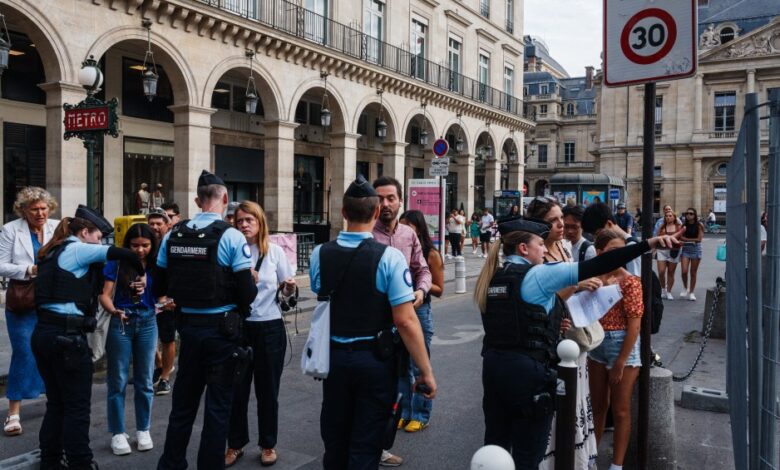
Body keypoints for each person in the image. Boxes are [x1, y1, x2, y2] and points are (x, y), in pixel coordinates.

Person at [473, 216, 678, 470]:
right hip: (528, 372)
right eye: (540, 244)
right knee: (528, 454)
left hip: (493, 369)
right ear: (523, 249)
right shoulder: (538, 275)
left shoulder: (494, 276)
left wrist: (553, 320)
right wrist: (648, 244)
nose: (543, 249)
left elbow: (518, 318)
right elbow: (600, 264)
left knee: (495, 446)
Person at [311, 175, 437, 469]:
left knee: (336, 439)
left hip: (334, 360)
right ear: (376, 212)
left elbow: (322, 292)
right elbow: (405, 321)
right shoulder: (389, 257)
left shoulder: (320, 254)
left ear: (343, 212)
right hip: (374, 361)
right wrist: (426, 372)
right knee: (366, 443)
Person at [155, 171, 258, 470]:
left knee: (183, 406)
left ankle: (171, 463)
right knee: (218, 407)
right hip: (222, 334)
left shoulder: (174, 233)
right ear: (225, 199)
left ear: (198, 200)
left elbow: (159, 287)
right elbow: (246, 294)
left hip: (188, 329)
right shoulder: (231, 236)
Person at [33, 206, 145, 470]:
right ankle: (80, 463)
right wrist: (141, 270)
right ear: (84, 232)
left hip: (45, 334)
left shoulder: (51, 251)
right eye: (97, 236)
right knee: (76, 407)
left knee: (58, 404)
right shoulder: (77, 249)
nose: (99, 242)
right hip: (67, 339)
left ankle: (50, 461)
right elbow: (121, 252)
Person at [527, 199, 599, 470]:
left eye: (561, 220)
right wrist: (577, 285)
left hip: (574, 330)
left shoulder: (564, 247)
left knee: (575, 394)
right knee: (556, 395)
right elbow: (545, 295)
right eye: (553, 221)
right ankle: (552, 457)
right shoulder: (536, 254)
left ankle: (573, 454)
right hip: (552, 333)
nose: (561, 226)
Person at [225, 201, 295, 467]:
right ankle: (235, 444)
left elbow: (287, 294)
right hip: (240, 327)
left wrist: (288, 288)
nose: (244, 225)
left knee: (268, 391)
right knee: (236, 390)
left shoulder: (274, 252)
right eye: (240, 220)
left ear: (259, 222)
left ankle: (268, 444)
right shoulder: (231, 251)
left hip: (269, 327)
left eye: (249, 220)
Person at [372, 176, 432, 466]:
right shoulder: (366, 234)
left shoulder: (409, 234)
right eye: (379, 198)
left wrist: (421, 291)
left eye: (390, 198)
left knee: (405, 373)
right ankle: (374, 444)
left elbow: (423, 269)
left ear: (399, 201)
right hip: (376, 321)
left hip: (408, 313)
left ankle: (386, 438)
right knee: (380, 382)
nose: (385, 204)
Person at [0, 187, 58, 436]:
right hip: (22, 301)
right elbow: (1, 265)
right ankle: (13, 413)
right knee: (24, 352)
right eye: (34, 209)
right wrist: (30, 270)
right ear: (23, 210)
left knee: (52, 351)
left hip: (52, 300)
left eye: (44, 208)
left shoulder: (58, 227)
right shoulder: (11, 229)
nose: (40, 213)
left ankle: (54, 402)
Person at [99, 223, 161, 455]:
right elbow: (104, 295)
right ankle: (117, 432)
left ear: (152, 245)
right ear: (127, 245)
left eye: (145, 245)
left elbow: (165, 295)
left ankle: (143, 429)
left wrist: (152, 290)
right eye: (135, 245)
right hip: (122, 320)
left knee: (145, 379)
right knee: (118, 380)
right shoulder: (117, 263)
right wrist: (114, 310)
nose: (140, 250)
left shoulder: (156, 265)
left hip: (147, 320)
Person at [588, 229, 645, 470]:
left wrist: (621, 361)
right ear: (599, 252)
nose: (619, 255)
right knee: (598, 406)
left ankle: (616, 465)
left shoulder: (630, 281)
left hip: (622, 344)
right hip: (596, 343)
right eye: (613, 250)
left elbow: (635, 326)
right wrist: (599, 289)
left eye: (622, 250)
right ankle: (591, 456)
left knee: (620, 410)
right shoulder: (592, 278)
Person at [398, 210, 444, 433]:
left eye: (408, 226)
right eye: (401, 226)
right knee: (401, 366)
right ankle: (404, 411)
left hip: (420, 310)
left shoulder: (431, 254)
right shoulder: (397, 249)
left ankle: (420, 414)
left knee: (418, 365)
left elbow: (439, 289)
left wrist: (420, 288)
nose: (404, 230)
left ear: (418, 228)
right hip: (399, 310)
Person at [146, 208, 175, 395]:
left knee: (167, 338)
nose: (155, 227)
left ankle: (165, 377)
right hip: (147, 297)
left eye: (159, 224)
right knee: (149, 337)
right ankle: (159, 365)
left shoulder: (171, 244)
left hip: (166, 299)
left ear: (167, 225)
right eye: (152, 224)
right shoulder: (144, 244)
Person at [581, 202, 641, 276]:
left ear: (609, 224)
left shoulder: (631, 246)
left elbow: (635, 281)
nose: (596, 239)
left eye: (597, 233)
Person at [655, 211, 684, 300]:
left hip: (674, 251)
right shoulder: (662, 227)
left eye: (670, 216)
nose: (668, 217)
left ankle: (669, 292)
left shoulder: (678, 227)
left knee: (671, 273)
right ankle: (663, 289)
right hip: (662, 250)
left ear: (674, 217)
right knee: (661, 272)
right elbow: (657, 237)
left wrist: (680, 242)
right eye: (666, 216)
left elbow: (682, 238)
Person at [679, 208, 704, 301]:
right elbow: (680, 236)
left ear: (695, 215)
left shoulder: (699, 225)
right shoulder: (684, 225)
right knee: (684, 271)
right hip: (686, 249)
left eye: (691, 213)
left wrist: (686, 240)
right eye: (687, 213)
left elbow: (699, 239)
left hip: (696, 250)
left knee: (693, 272)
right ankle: (685, 287)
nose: (688, 215)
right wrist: (688, 240)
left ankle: (692, 292)